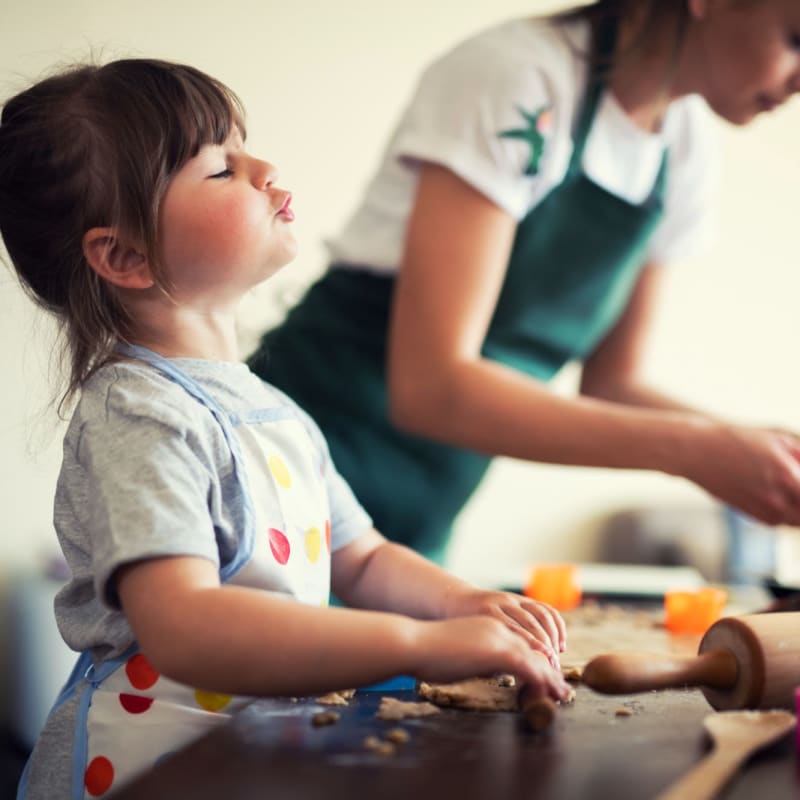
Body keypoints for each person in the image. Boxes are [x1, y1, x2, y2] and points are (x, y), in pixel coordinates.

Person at [0, 59, 572, 800]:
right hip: (143, 768)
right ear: (123, 255)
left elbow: (360, 559)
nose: (265, 169)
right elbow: (185, 623)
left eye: (249, 148)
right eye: (220, 168)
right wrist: (420, 643)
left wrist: (461, 603)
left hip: (251, 760)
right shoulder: (138, 412)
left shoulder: (276, 411)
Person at [249, 0, 800, 564]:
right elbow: (431, 390)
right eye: (797, 39)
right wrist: (696, 451)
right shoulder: (517, 77)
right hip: (291, 484)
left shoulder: (684, 151)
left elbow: (614, 383)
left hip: (416, 528)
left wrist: (768, 455)